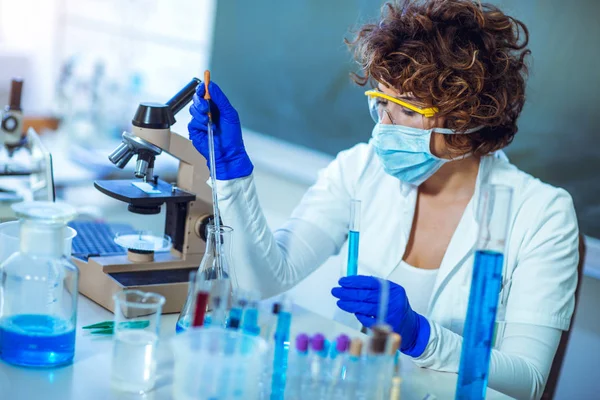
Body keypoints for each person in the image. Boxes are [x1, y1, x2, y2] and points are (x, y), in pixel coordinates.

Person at [188, 1, 579, 398]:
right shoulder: (359, 169)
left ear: (464, 120)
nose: (383, 127)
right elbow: (259, 279)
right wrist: (232, 173)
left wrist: (420, 335)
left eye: (404, 109)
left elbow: (529, 382)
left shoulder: (542, 214)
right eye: (382, 103)